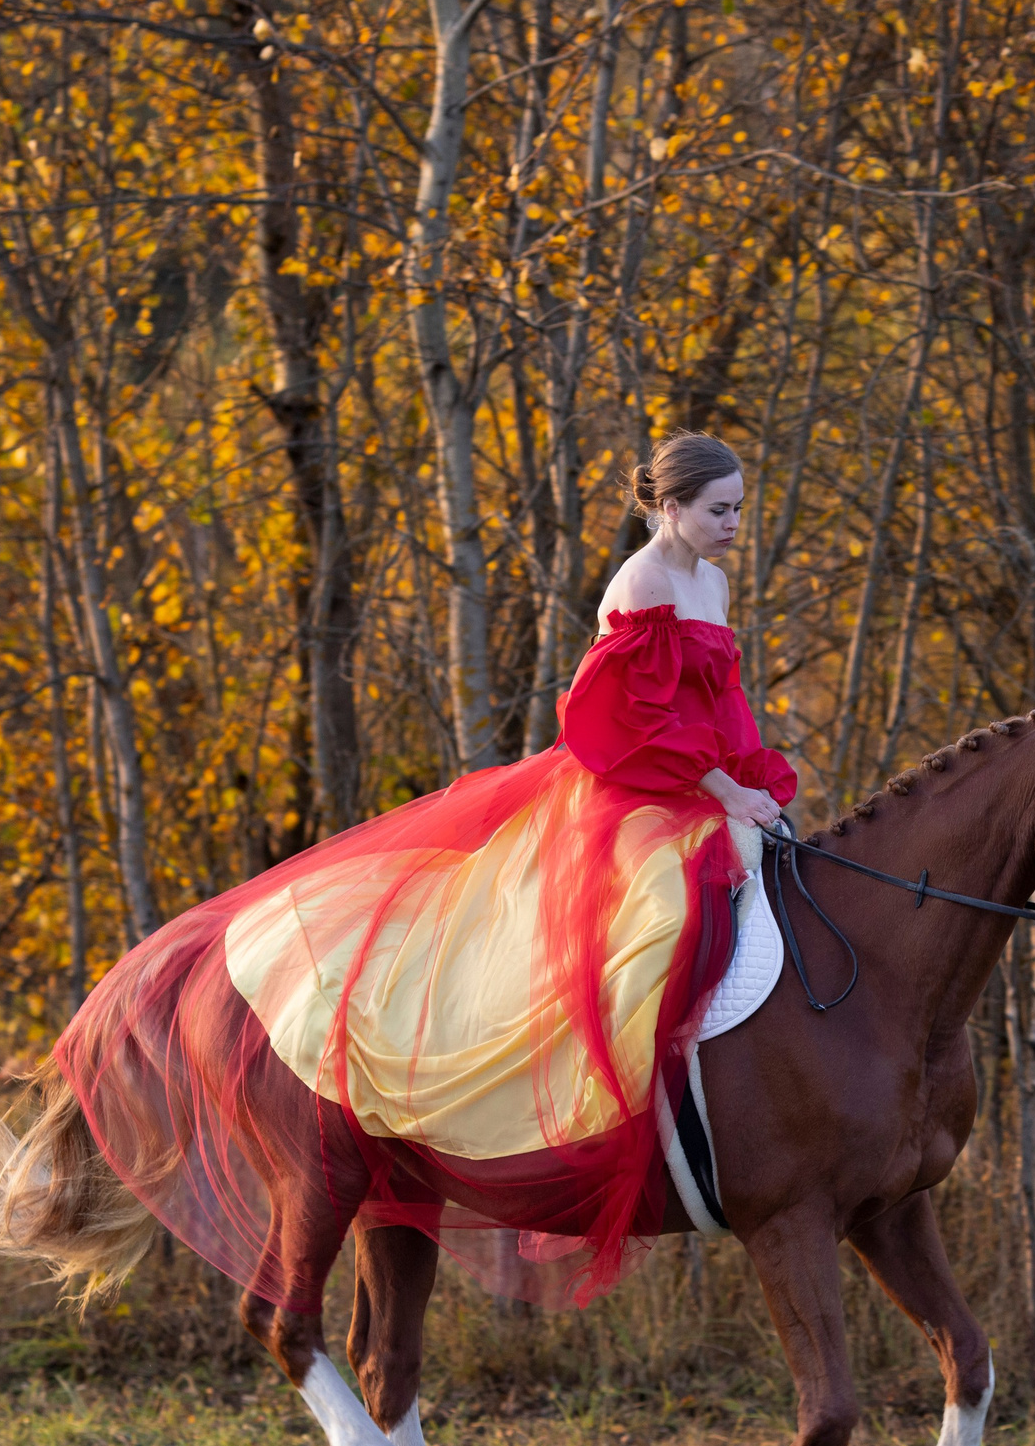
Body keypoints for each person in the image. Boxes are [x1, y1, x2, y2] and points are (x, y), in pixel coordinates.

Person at [52, 432, 793, 1309]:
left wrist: (750, 784)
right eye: (720, 510)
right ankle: (614, 1094)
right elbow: (626, 717)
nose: (734, 525)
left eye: (740, 508)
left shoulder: (714, 581)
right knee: (664, 908)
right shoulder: (641, 585)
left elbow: (722, 705)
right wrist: (714, 786)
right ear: (669, 508)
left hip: (702, 784)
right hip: (629, 784)